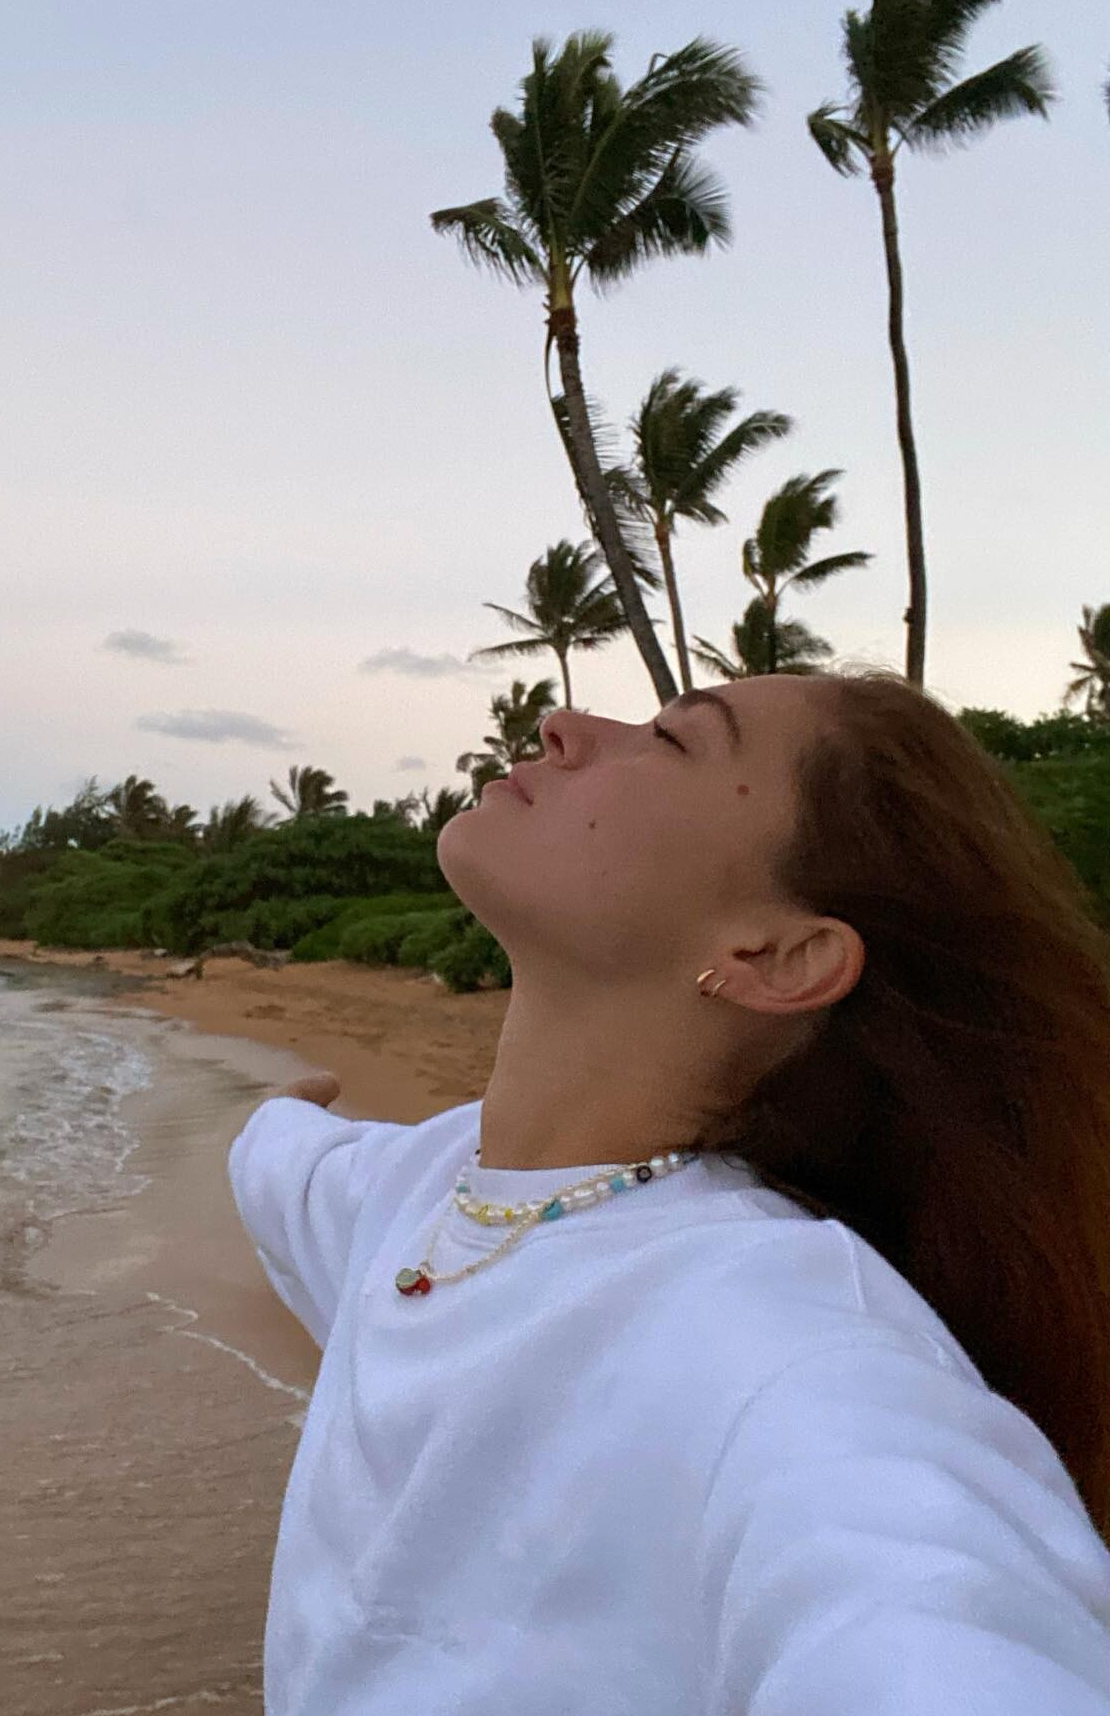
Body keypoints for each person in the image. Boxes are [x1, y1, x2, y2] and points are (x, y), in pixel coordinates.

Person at [227, 666, 1110, 1714]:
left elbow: (930, 1627)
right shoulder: (428, 1191)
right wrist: (274, 1110)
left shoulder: (785, 1348)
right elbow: (283, 1164)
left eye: (676, 739)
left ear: (778, 956)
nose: (562, 725)